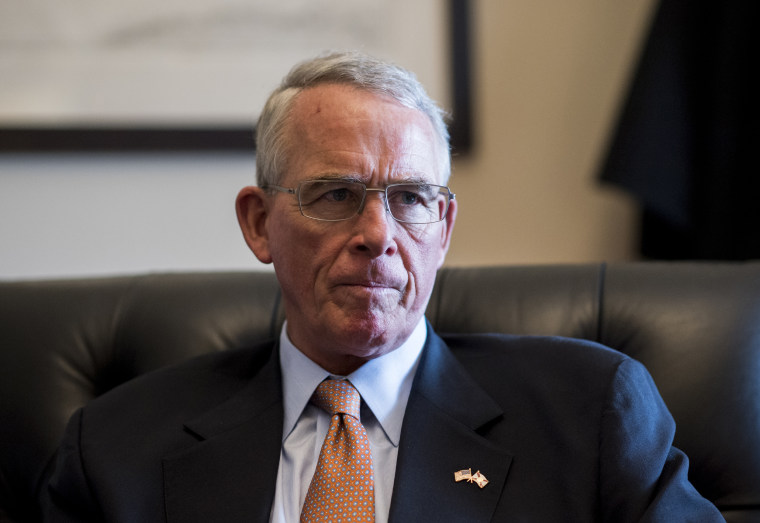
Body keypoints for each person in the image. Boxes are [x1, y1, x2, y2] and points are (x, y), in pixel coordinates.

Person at [42, 51, 723, 522]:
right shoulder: (117, 448)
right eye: (335, 194)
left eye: (410, 197)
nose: (377, 233)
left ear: (444, 224)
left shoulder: (591, 415)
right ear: (259, 223)